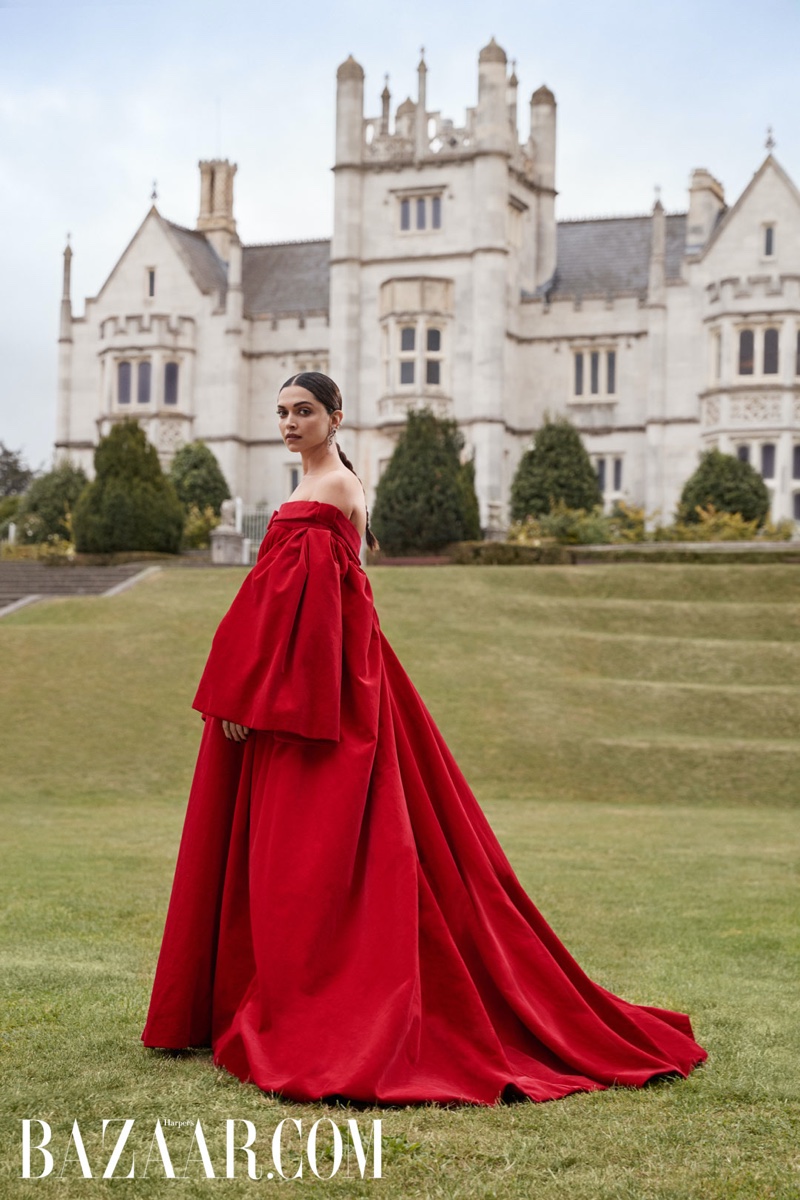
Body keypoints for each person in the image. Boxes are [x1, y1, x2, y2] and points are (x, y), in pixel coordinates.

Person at [141, 371, 708, 1105]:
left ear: (334, 417)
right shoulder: (312, 491)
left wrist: (255, 692)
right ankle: (270, 992)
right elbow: (286, 599)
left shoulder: (337, 490)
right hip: (295, 687)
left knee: (322, 854)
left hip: (318, 699)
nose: (289, 423)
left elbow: (316, 610)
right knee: (285, 852)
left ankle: (329, 1009)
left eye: (303, 411)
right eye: (280, 412)